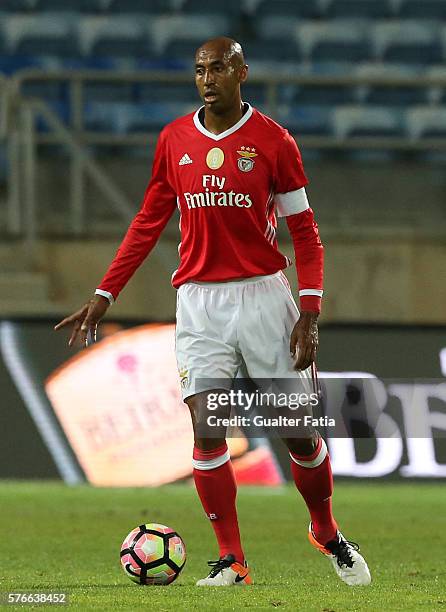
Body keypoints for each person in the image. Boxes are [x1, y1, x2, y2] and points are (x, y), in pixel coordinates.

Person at [55, 37, 371, 588]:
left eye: (219, 67)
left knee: (296, 433)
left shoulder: (274, 142)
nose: (208, 77)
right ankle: (233, 561)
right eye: (200, 69)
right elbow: (148, 222)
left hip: (265, 297)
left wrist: (311, 311)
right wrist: (106, 293)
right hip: (199, 302)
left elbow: (306, 233)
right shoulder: (174, 138)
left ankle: (326, 530)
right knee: (207, 429)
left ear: (242, 72)